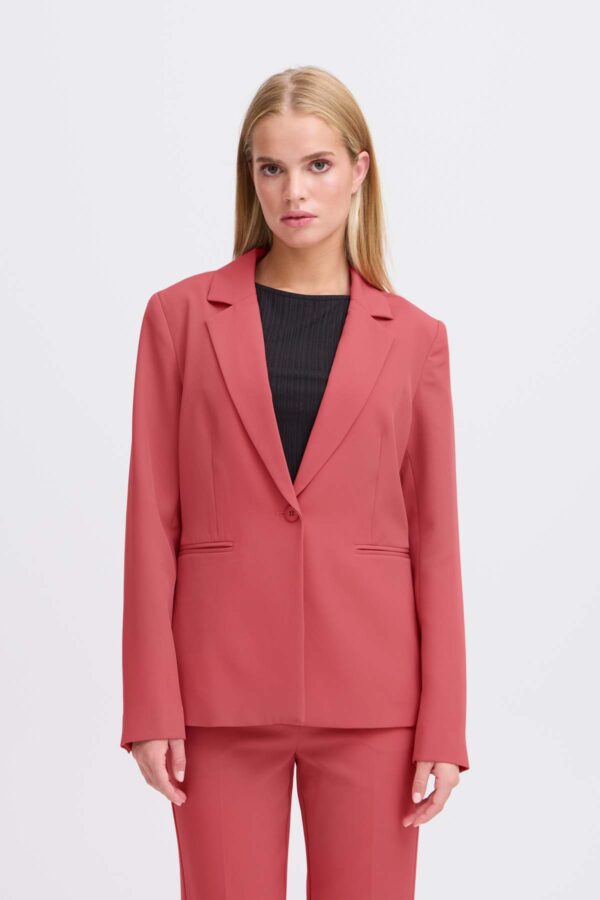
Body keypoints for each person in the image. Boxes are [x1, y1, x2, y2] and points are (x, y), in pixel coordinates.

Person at [120, 65, 470, 900]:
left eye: (317, 165)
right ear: (251, 177)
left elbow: (437, 539)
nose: (294, 191)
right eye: (271, 168)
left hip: (375, 699)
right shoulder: (179, 318)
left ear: (359, 169)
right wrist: (150, 706)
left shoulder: (415, 338)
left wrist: (445, 722)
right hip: (216, 694)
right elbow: (150, 522)